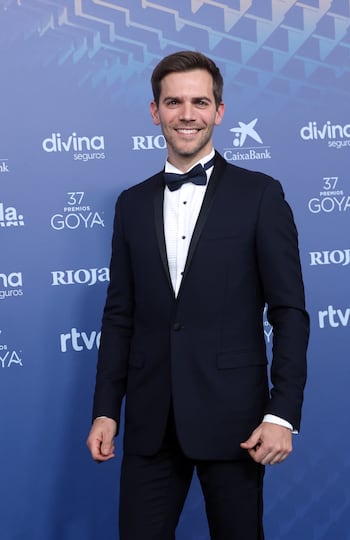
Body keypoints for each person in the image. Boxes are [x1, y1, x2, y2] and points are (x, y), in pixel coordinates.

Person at [87, 50, 309, 540]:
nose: (187, 114)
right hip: (150, 421)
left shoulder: (260, 194)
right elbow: (119, 315)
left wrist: (282, 414)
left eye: (200, 102)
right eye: (174, 102)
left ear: (219, 111)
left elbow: (290, 312)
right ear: (155, 111)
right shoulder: (131, 203)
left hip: (237, 422)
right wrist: (106, 408)